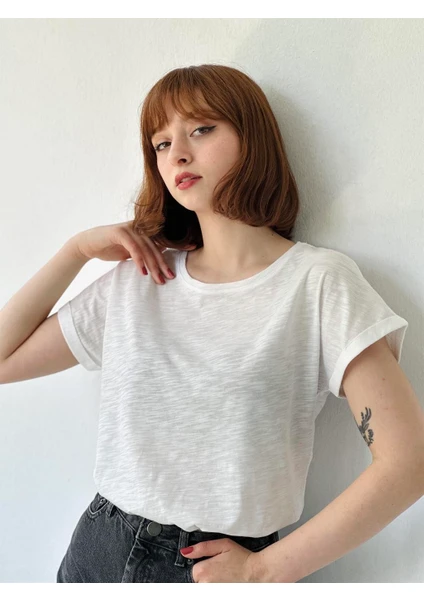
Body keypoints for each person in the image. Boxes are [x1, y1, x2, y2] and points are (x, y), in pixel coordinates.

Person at [0, 64, 411, 583]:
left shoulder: (318, 283)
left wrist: (264, 570)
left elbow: (407, 462)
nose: (177, 153)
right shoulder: (140, 279)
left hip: (217, 567)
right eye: (161, 143)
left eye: (201, 129)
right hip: (99, 549)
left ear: (252, 137)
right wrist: (76, 251)